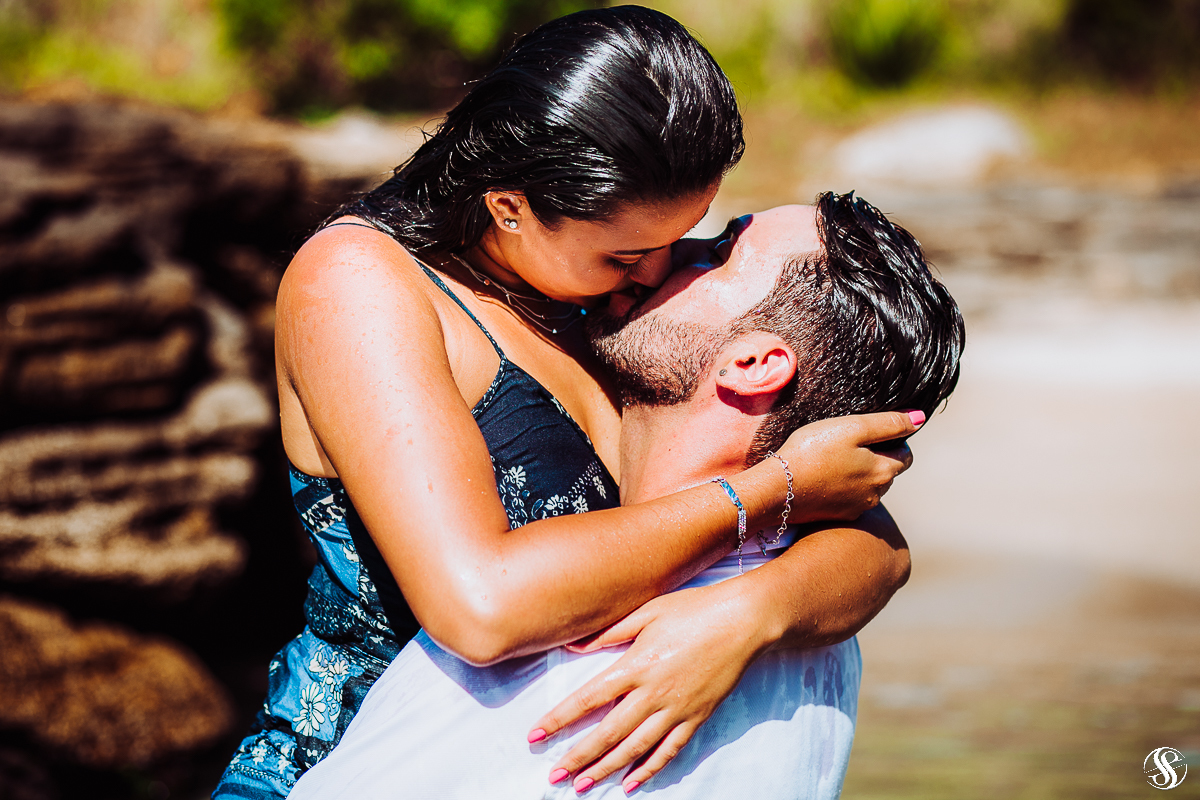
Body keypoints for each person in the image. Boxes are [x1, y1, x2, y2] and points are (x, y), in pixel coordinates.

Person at [214, 9, 918, 799]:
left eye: (687, 236)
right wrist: (766, 490)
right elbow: (478, 606)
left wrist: (751, 612)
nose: (659, 273)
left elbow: (876, 542)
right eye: (626, 253)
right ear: (509, 207)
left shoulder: (598, 309)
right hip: (338, 764)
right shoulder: (362, 284)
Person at [288, 193, 965, 799]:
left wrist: (756, 607)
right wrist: (762, 584)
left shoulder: (611, 661)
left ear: (754, 364)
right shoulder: (803, 617)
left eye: (719, 251)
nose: (667, 255)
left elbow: (881, 545)